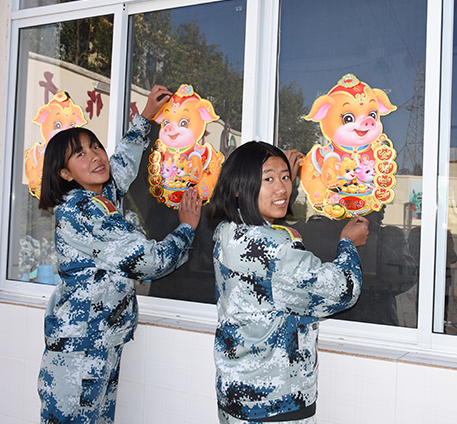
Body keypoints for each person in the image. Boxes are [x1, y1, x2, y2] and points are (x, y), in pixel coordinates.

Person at [37, 85, 202, 424]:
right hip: (80, 350)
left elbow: (122, 166)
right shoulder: (83, 211)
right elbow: (150, 262)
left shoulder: (98, 195)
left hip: (99, 341)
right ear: (65, 173)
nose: (96, 156)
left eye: (95, 146)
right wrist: (186, 228)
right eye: (80, 154)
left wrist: (146, 117)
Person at [205, 141, 369, 424]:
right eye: (268, 179)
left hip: (236, 394)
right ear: (239, 188)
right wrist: (348, 244)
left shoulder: (227, 231)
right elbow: (342, 290)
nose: (282, 188)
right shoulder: (276, 251)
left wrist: (276, 183)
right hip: (275, 405)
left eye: (284, 177)